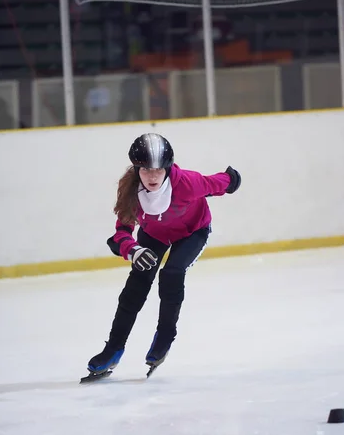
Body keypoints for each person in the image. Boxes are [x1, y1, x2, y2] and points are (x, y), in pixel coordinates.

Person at [87, 132, 241, 376]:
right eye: (146, 169)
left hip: (193, 232)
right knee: (136, 286)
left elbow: (216, 183)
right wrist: (133, 250)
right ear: (136, 168)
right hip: (154, 234)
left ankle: (164, 337)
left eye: (158, 169)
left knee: (171, 273)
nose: (152, 176)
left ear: (167, 168)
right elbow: (121, 233)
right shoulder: (129, 190)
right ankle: (114, 348)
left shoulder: (188, 183)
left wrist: (231, 179)